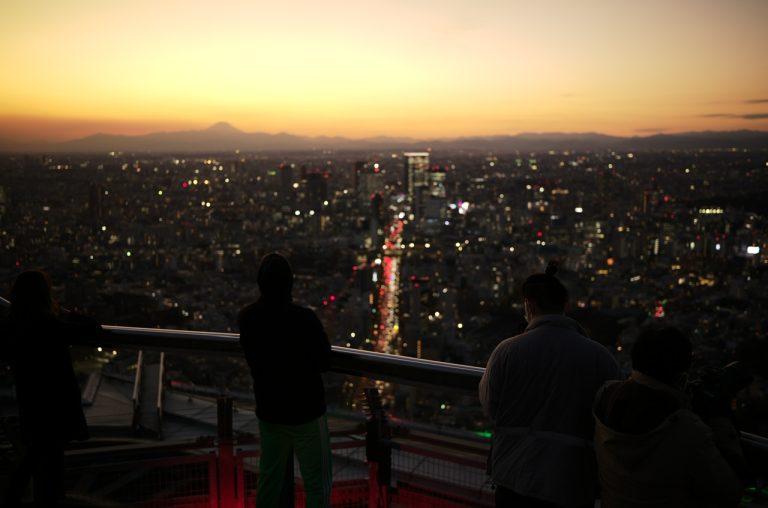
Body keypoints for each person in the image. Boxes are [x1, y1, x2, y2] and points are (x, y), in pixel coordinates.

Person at [479, 263, 622, 508]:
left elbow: (490, 404)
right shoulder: (601, 357)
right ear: (565, 306)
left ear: (529, 305)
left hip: (514, 475)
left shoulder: (507, 351)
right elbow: (611, 417)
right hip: (572, 480)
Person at [593, 325, 745, 508]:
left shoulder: (606, 398)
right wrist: (719, 419)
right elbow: (729, 492)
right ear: (681, 376)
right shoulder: (685, 428)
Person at [0, 270, 102, 507]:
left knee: (34, 461)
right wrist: (68, 313)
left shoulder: (12, 328)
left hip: (31, 405)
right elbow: (93, 329)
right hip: (55, 407)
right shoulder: (50, 326)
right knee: (50, 466)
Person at [238, 253, 332, 508]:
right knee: (316, 485)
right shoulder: (305, 319)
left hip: (269, 412)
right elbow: (325, 361)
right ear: (290, 284)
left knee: (269, 481)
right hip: (307, 414)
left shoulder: (247, 318)